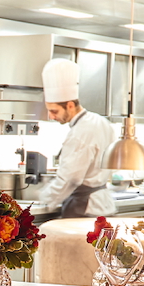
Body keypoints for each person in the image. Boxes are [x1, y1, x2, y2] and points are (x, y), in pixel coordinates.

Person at [38, 58, 116, 220]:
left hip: (85, 208)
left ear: (70, 105)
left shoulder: (80, 132)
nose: (51, 116)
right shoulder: (101, 121)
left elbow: (71, 177)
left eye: (54, 111)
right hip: (103, 203)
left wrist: (44, 200)